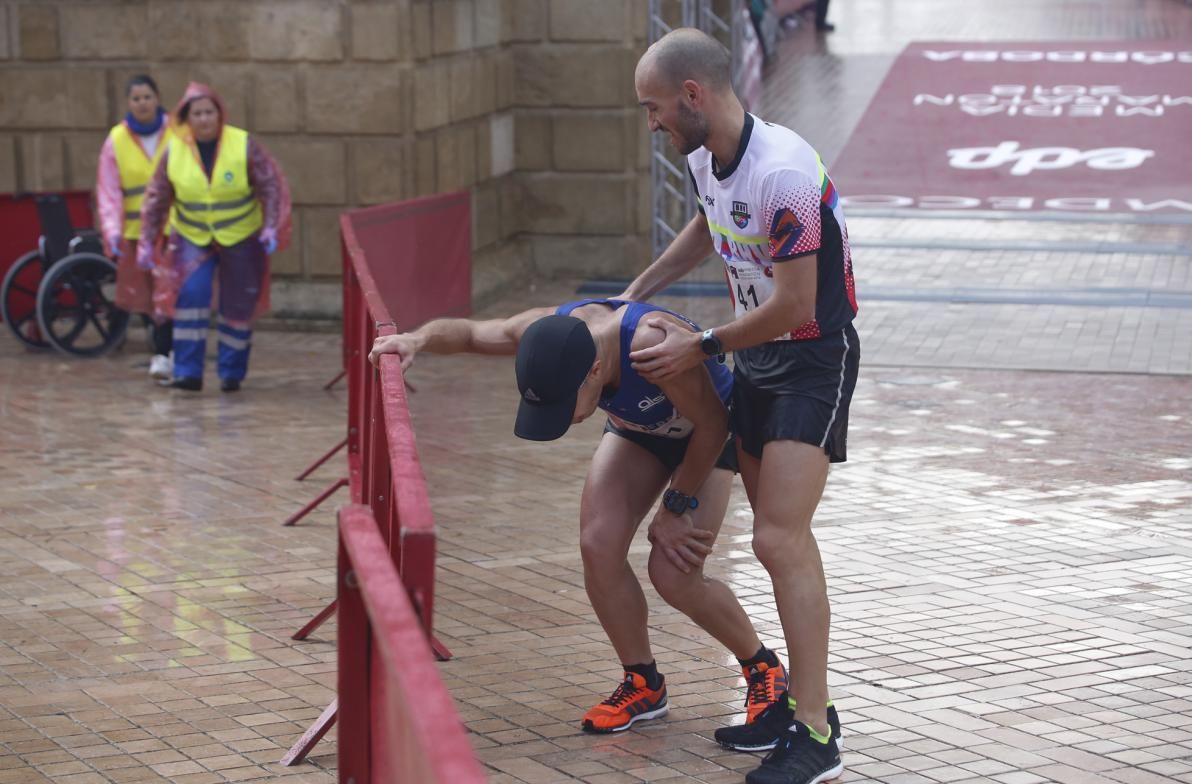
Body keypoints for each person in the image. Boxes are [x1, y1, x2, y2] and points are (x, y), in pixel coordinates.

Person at [368, 298, 833, 738]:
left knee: (673, 573)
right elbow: (470, 333)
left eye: (561, 406)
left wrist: (675, 507)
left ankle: (762, 667)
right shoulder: (547, 329)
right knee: (599, 545)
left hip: (708, 437)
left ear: (594, 371)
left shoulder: (648, 345)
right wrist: (417, 340)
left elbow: (713, 423)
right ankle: (643, 683)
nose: (562, 420)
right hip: (643, 429)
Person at [625, 28, 858, 784]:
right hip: (755, 357)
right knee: (775, 539)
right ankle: (800, 709)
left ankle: (818, 733)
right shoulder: (705, 155)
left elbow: (794, 304)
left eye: (654, 108)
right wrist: (635, 294)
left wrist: (707, 347)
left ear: (693, 95)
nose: (651, 123)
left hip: (811, 357)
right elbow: (708, 221)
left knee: (779, 541)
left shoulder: (785, 170)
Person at [139, 82, 291, 392]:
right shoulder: (175, 151)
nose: (204, 119)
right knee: (190, 296)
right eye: (197, 113)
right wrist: (147, 240)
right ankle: (187, 372)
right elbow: (156, 198)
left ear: (219, 115)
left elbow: (270, 186)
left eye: (209, 112)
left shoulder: (243, 144)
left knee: (238, 304)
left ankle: (231, 372)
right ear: (187, 118)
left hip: (241, 235)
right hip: (193, 234)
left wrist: (272, 226)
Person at [95, 74, 174, 382]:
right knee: (143, 295)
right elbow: (109, 190)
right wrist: (112, 231)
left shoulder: (177, 133)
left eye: (147, 97)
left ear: (157, 98)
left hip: (172, 230)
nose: (142, 103)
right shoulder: (116, 139)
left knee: (170, 292)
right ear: (128, 103)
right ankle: (160, 347)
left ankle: (167, 350)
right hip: (135, 232)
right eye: (136, 98)